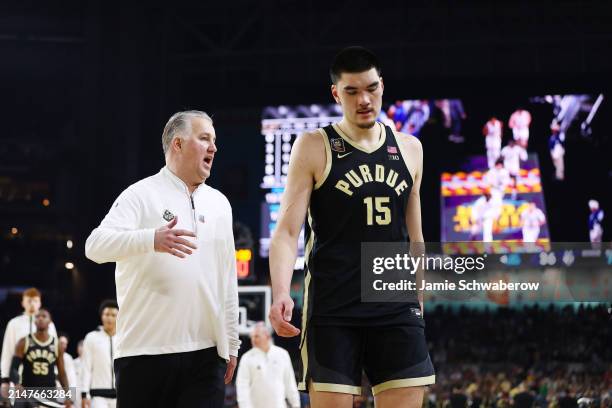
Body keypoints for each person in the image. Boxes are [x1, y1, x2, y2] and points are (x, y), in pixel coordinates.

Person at [268, 46, 434, 408]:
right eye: (352, 91)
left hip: (394, 305)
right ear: (335, 93)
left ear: (382, 86)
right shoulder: (313, 146)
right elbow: (285, 232)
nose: (364, 99)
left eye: (371, 88)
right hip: (333, 308)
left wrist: (417, 300)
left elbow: (415, 237)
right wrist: (281, 290)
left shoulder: (410, 149)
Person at [85, 110, 240, 408]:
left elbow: (227, 277)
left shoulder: (220, 204)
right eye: (204, 138)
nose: (214, 147)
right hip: (144, 352)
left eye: (214, 140)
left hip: (207, 355)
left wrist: (231, 342)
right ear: (178, 144)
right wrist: (150, 239)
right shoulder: (140, 195)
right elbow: (95, 246)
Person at [1, 288, 57, 401]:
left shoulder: (49, 324)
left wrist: (56, 377)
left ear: (40, 303)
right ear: (22, 302)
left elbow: (55, 353)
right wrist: (5, 379)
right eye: (29, 301)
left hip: (45, 380)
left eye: (35, 301)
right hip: (20, 380)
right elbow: (7, 352)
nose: (32, 304)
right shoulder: (14, 323)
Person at [10, 308, 72, 407]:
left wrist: (68, 394)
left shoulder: (57, 344)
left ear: (50, 321)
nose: (40, 319)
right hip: (27, 391)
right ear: (34, 321)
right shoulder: (24, 342)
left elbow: (62, 373)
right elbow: (13, 368)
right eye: (38, 316)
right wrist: (17, 384)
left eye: (44, 316)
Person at [235, 322, 300, 408]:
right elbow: (242, 386)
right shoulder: (246, 358)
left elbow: (290, 382)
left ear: (267, 336)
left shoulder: (282, 354)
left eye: (257, 336)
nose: (253, 340)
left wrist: (296, 404)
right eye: (252, 337)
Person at [81, 300, 118, 408]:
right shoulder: (91, 337)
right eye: (107, 314)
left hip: (120, 394)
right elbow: (86, 366)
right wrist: (84, 393)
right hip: (98, 395)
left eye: (113, 315)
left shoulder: (123, 338)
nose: (110, 318)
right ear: (102, 316)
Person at [58, 333, 79, 408]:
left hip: (66, 400)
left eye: (65, 344)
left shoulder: (68, 358)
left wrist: (70, 399)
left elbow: (72, 379)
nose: (64, 346)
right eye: (61, 343)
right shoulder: (51, 355)